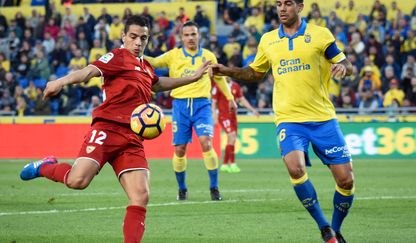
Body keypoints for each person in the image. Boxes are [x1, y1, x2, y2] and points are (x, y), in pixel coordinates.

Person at [19, 15, 210, 243]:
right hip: (107, 128)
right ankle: (45, 166)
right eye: (133, 37)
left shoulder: (146, 67)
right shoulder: (118, 57)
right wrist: (60, 82)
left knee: (141, 196)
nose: (138, 42)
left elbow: (157, 84)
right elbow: (89, 71)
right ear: (123, 36)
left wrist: (193, 78)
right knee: (77, 181)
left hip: (132, 137)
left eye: (143, 38)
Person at [211, 1, 354, 242]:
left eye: (288, 3)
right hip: (289, 119)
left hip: (323, 119)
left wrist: (342, 67)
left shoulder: (320, 35)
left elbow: (346, 64)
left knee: (346, 180)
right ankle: (324, 228)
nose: (282, 8)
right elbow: (255, 73)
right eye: (278, 4)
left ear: (300, 6)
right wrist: (226, 70)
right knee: (295, 167)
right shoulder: (268, 40)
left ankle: (336, 229)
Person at [146, 21, 236, 201]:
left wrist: (230, 98)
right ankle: (182, 188)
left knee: (206, 143)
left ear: (199, 35)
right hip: (180, 106)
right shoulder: (174, 55)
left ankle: (214, 187)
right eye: (186, 35)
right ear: (181, 37)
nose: (190, 38)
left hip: (202, 105)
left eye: (193, 34)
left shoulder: (209, 56)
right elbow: (155, 62)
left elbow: (219, 79)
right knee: (180, 149)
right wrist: (136, 55)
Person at [211, 77, 259, 173]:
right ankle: (232, 164)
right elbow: (214, 103)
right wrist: (214, 116)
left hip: (233, 117)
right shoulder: (218, 86)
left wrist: (252, 109)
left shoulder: (235, 86)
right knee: (231, 136)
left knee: (232, 139)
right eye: (224, 75)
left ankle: (225, 165)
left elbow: (242, 99)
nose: (226, 77)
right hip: (223, 116)